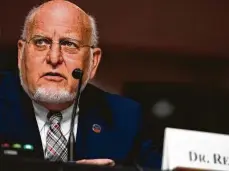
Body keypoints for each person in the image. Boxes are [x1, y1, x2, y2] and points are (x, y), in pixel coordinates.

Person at [0, 0, 161, 168]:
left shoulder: (125, 118)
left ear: (93, 62)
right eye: (41, 42)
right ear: (21, 53)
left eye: (69, 44)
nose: (54, 58)